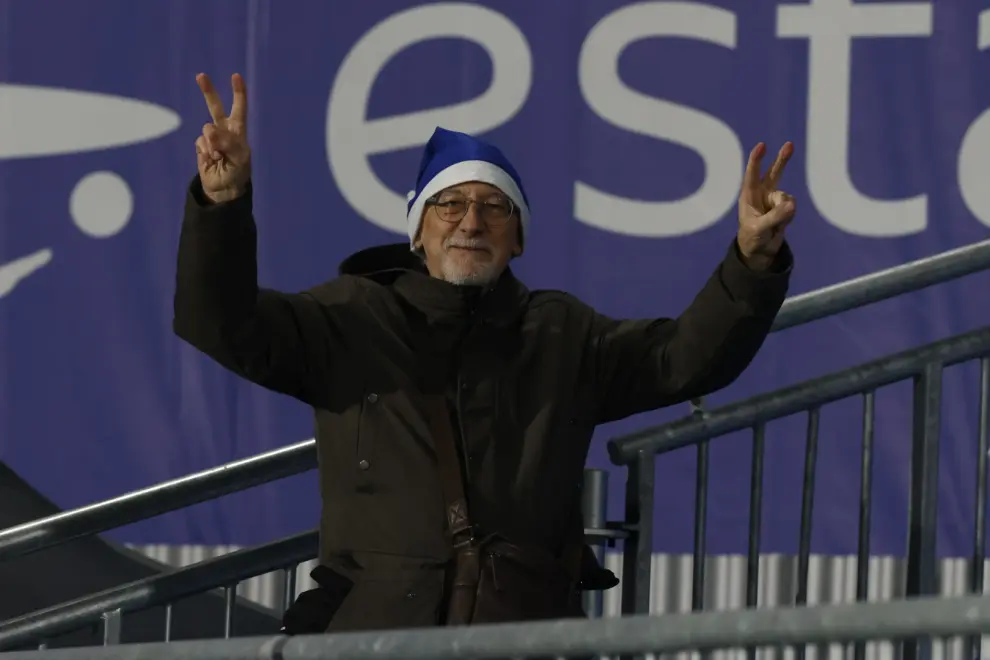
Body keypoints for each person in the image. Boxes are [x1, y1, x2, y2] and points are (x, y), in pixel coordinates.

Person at [174, 72, 796, 633]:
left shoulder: (562, 333)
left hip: (519, 631)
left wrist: (751, 261)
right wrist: (222, 207)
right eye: (450, 204)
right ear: (418, 230)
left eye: (495, 207)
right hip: (373, 635)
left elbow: (684, 358)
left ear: (518, 238)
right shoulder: (348, 317)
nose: (471, 221)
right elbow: (222, 323)